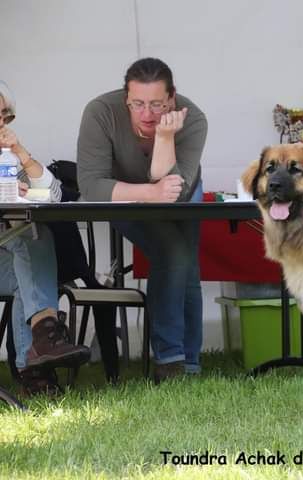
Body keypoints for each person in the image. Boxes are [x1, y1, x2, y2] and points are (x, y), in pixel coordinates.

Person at [77, 58, 208, 383]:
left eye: (156, 104)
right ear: (126, 99)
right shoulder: (100, 112)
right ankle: (170, 360)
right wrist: (149, 193)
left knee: (186, 263)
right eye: (137, 104)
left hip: (180, 187)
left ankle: (188, 363)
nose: (147, 114)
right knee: (174, 251)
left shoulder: (193, 121)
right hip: (124, 195)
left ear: (172, 99)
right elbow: (92, 187)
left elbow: (176, 193)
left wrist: (165, 139)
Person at [0, 82, 91, 395]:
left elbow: (53, 196)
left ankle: (37, 366)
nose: (0, 123)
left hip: (9, 262)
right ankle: (45, 346)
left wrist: (21, 155)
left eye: (3, 116)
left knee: (31, 250)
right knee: (30, 247)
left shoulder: (7, 159)